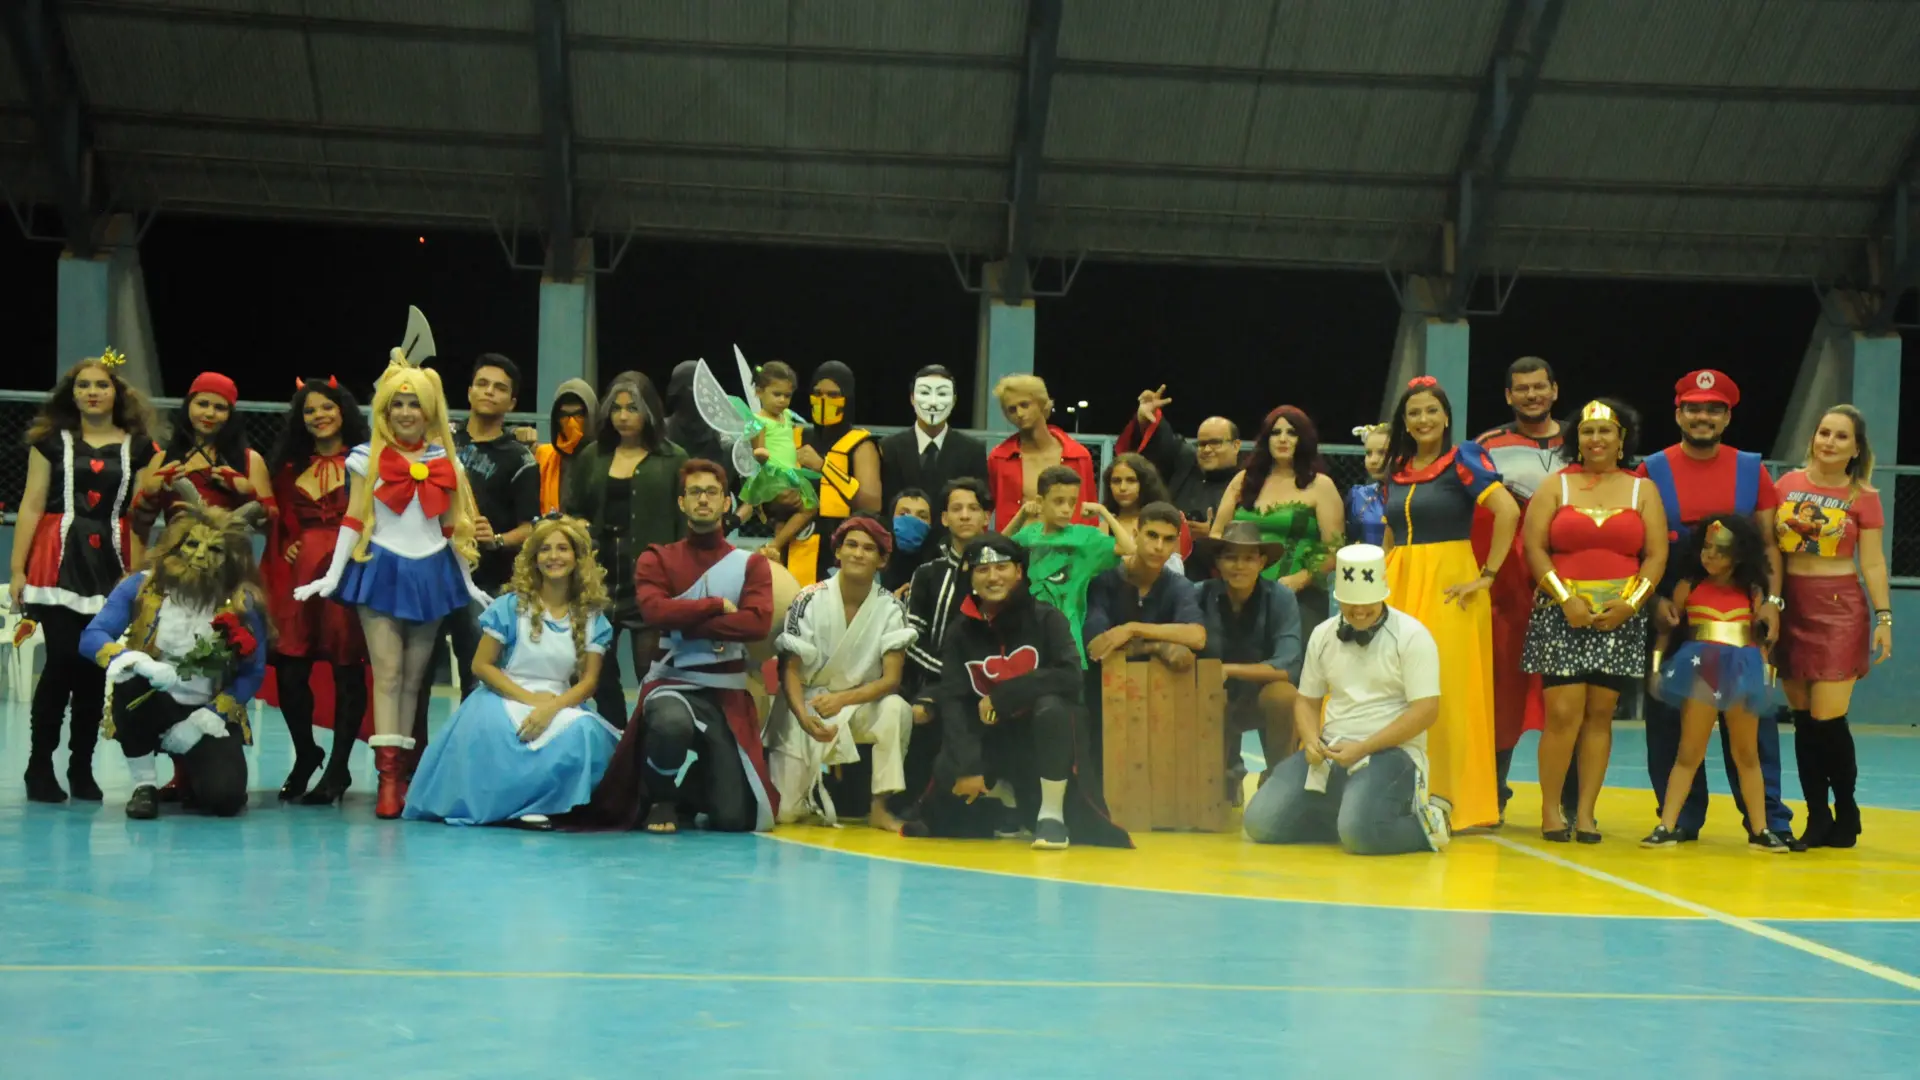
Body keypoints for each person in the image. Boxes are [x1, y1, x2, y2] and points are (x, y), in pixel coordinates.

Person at [294, 352, 491, 819]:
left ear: (429, 409)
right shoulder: (366, 458)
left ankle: (402, 777)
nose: (406, 412)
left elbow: (451, 527)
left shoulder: (448, 463)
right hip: (381, 568)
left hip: (433, 572)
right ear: (384, 409)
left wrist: (467, 581)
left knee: (413, 680)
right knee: (387, 674)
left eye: (414, 403)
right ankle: (386, 783)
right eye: (397, 403)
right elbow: (353, 517)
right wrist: (332, 574)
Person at [579, 459, 779, 833]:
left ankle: (689, 793)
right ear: (681, 502)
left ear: (726, 503)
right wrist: (715, 605)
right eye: (695, 492)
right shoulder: (658, 557)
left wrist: (683, 620)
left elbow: (756, 623)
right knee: (670, 724)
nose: (703, 499)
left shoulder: (751, 564)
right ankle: (661, 798)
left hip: (727, 692)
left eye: (712, 492)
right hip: (671, 682)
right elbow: (654, 612)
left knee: (734, 819)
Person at [1640, 369, 1794, 846]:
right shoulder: (1652, 470)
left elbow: (1768, 546)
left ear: (1727, 417)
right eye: (1693, 408)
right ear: (1678, 414)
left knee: (1753, 726)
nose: (1702, 417)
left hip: (1741, 611)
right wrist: (1653, 601)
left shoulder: (1752, 469)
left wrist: (1772, 602)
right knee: (1670, 722)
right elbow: (1641, 545)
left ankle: (1767, 822)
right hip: (1676, 605)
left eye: (1713, 409)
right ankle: (1678, 819)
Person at [902, 533, 1132, 849]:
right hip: (990, 738)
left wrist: (1003, 696)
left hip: (1044, 741)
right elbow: (954, 699)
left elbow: (1070, 676)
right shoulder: (958, 632)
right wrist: (968, 766)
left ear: (1019, 571)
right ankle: (1004, 801)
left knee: (1052, 707)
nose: (992, 577)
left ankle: (1051, 816)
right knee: (945, 810)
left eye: (1001, 567)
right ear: (970, 577)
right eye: (982, 570)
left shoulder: (1047, 618)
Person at [10, 350, 161, 802]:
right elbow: (32, 504)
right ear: (71, 394)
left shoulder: (143, 449)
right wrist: (17, 568)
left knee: (96, 667)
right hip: (56, 560)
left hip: (111, 564)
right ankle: (39, 766)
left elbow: (142, 516)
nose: (92, 392)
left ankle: (81, 768)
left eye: (101, 384)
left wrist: (137, 577)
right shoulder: (50, 443)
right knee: (61, 662)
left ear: (117, 392)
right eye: (83, 385)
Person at [404, 516, 618, 829]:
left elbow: (589, 682)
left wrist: (550, 708)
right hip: (503, 695)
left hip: (560, 701)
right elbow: (481, 666)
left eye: (562, 548)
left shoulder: (592, 618)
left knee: (584, 732)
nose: (554, 556)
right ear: (534, 558)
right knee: (496, 730)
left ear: (578, 558)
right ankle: (515, 806)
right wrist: (531, 701)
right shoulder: (510, 606)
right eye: (545, 549)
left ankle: (550, 804)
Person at [1242, 543, 1451, 855]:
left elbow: (1426, 710)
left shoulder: (1412, 635)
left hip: (1392, 752)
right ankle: (1347, 815)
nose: (1360, 611)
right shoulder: (1323, 634)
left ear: (1383, 595)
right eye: (1351, 604)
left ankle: (1431, 822)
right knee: (1260, 823)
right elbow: (1307, 700)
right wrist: (1311, 740)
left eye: (1367, 603)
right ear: (1337, 598)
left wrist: (1364, 747)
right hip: (1332, 749)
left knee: (1360, 835)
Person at [1520, 400, 1667, 843]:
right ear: (1576, 439)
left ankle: (1585, 813)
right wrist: (1565, 599)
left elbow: (1656, 555)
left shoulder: (1643, 490)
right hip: (1560, 614)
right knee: (1562, 714)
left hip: (1618, 618)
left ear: (1622, 439)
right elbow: (1534, 548)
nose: (1596, 439)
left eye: (1606, 431)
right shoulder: (1555, 486)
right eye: (1588, 431)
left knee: (1600, 715)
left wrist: (1631, 605)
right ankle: (1550, 810)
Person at [1380, 376, 1521, 830]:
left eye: (1431, 411)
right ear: (1404, 422)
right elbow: (1390, 531)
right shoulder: (1397, 467)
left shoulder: (1464, 459)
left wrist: (1487, 576)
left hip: (1448, 584)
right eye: (1414, 412)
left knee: (1444, 689)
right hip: (1398, 582)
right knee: (1392, 684)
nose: (1423, 419)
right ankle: (1395, 792)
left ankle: (1449, 798)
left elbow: (1508, 511)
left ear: (1446, 417)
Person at [81, 499, 270, 819]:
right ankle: (144, 785)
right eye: (192, 544)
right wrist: (137, 661)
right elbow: (92, 636)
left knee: (224, 800)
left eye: (215, 549)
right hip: (152, 698)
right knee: (129, 681)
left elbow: (253, 671)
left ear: (230, 558)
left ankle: (194, 773)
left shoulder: (241, 602)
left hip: (206, 708)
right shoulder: (142, 587)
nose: (200, 555)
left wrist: (206, 718)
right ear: (175, 545)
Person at [1773, 405, 1892, 848]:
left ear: (1856, 449)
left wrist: (1884, 616)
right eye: (1824, 432)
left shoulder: (1864, 495)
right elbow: (1770, 550)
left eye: (1841, 436)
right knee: (1803, 720)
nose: (1829, 442)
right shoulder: (1785, 485)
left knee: (1827, 718)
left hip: (1839, 608)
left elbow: (1873, 562)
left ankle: (1847, 808)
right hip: (1791, 605)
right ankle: (1817, 816)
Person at [1642, 517, 1793, 853]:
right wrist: (1656, 667)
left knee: (1747, 754)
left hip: (1742, 670)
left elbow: (1763, 640)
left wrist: (1766, 675)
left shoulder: (1752, 592)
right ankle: (1667, 824)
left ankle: (1761, 829)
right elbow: (1666, 630)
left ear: (1738, 555)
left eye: (1720, 550)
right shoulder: (1689, 587)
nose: (1709, 555)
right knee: (1689, 751)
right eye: (1706, 548)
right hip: (1701, 671)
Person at [261, 377, 373, 805]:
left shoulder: (366, 460)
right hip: (301, 576)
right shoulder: (288, 467)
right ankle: (306, 752)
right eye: (310, 410)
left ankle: (338, 767)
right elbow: (279, 519)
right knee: (290, 668)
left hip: (349, 571)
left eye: (327, 406)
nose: (319, 415)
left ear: (343, 410)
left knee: (347, 669)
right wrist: (290, 541)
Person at [767, 517, 917, 828]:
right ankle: (809, 793)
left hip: (858, 705)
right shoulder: (808, 598)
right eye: (851, 545)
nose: (858, 554)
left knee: (896, 709)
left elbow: (891, 680)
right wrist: (802, 716)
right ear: (837, 552)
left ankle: (880, 807)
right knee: (784, 814)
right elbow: (790, 670)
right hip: (805, 704)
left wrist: (842, 700)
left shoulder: (891, 608)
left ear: (882, 560)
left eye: (868, 548)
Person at [562, 370, 688, 725]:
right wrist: (578, 524)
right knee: (597, 671)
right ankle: (615, 735)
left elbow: (683, 524)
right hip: (599, 577)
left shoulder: (674, 458)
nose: (622, 416)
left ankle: (645, 742)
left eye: (632, 408)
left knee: (652, 673)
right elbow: (574, 509)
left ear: (649, 411)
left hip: (651, 580)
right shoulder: (593, 456)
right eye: (616, 408)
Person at [1476, 357, 1566, 820]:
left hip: (1574, 583)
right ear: (1509, 396)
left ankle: (1570, 803)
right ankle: (1492, 792)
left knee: (1571, 693)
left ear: (1554, 390)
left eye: (1539, 386)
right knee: (1504, 689)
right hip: (1510, 588)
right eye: (1522, 389)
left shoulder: (1583, 440)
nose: (1532, 395)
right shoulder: (1486, 446)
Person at [1192, 521, 1303, 799]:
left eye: (1248, 558)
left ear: (1262, 562)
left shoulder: (1281, 598)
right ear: (1218, 561)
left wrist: (1228, 669)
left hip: (1260, 698)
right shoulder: (1197, 594)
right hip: (1209, 697)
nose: (1239, 566)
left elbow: (1287, 667)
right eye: (1230, 557)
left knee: (1284, 695)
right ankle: (1224, 774)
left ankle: (1279, 778)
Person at [1213, 406, 1342, 635]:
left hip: (1299, 598)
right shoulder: (1243, 480)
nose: (1283, 439)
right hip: (1238, 592)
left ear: (1304, 439)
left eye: (1291, 433)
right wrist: (1231, 571)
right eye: (1275, 432)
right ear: (1266, 439)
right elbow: (1216, 534)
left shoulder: (1321, 485)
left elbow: (1334, 547)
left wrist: (1301, 579)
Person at [902, 478, 994, 789]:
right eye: (957, 509)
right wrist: (949, 674)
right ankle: (915, 798)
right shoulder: (927, 573)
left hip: (989, 679)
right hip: (934, 679)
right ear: (944, 518)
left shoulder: (1001, 575)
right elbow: (910, 638)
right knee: (918, 712)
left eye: (973, 509)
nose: (965, 515)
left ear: (986, 517)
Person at [1007, 464, 1134, 663]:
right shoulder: (1028, 534)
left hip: (1067, 640)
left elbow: (1128, 548)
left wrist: (1103, 511)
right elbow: (995, 547)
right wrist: (1021, 515)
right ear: (1040, 501)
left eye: (1072, 502)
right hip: (1026, 637)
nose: (1066, 509)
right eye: (1059, 501)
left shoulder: (1086, 538)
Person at [878, 364, 989, 570]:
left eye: (942, 394)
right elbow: (884, 506)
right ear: (912, 398)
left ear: (954, 400)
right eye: (925, 393)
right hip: (898, 562)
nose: (933, 402)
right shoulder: (889, 447)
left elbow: (978, 504)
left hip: (954, 560)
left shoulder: (972, 450)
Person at [134, 370, 273, 530]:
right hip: (176, 545)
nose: (209, 413)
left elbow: (269, 526)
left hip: (228, 544)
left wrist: (249, 492)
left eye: (219, 408)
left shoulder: (250, 460)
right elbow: (139, 523)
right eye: (202, 404)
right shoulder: (162, 459)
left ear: (230, 415)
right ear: (188, 406)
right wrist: (149, 493)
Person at [787, 362, 882, 586]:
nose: (824, 400)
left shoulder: (860, 443)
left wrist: (824, 467)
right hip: (793, 543)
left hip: (839, 549)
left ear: (847, 398)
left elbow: (872, 504)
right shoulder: (796, 436)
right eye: (818, 393)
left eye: (833, 395)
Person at [1083, 502, 1208, 667]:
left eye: (1168, 539)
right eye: (1152, 535)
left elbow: (1197, 637)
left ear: (1176, 544)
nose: (1159, 546)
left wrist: (1133, 630)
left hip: (1156, 682)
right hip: (1103, 680)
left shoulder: (1179, 585)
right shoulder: (1105, 578)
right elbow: (1096, 647)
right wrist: (1161, 646)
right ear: (1135, 535)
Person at [1115, 384, 1242, 530]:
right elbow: (1162, 443)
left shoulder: (1246, 484)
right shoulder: (1186, 462)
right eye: (1201, 444)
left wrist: (1215, 532)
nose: (1206, 450)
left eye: (1215, 443)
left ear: (1236, 445)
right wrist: (1146, 420)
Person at [985, 374, 1098, 533]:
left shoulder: (1078, 456)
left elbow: (1090, 512)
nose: (1019, 413)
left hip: (1068, 545)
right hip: (1016, 544)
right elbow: (984, 510)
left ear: (1041, 404)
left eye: (1025, 405)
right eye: (1012, 409)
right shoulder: (999, 458)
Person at [738, 359, 818, 522]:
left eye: (787, 396)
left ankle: (777, 537)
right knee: (799, 505)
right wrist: (761, 456)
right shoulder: (757, 421)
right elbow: (758, 452)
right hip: (771, 475)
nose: (782, 400)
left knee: (809, 507)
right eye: (777, 394)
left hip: (790, 474)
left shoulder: (786, 415)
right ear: (759, 392)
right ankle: (740, 517)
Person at [1101, 453, 1192, 575]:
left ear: (1145, 483)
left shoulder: (1164, 520)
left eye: (1131, 480)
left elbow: (1174, 570)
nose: (1122, 487)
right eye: (1116, 481)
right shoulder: (1105, 525)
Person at [530, 377, 598, 514]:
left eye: (579, 415)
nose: (571, 422)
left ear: (592, 416)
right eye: (564, 415)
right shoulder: (543, 456)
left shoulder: (607, 458)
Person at [664, 360, 731, 481]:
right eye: (693, 389)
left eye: (703, 389)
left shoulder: (724, 439)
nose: (701, 397)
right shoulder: (661, 433)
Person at [1345, 423, 1390, 547]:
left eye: (1382, 453)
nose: (1373, 460)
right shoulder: (1359, 495)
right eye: (1368, 453)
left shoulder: (1416, 495)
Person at [882, 487, 931, 593]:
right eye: (904, 514)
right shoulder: (876, 564)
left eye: (922, 516)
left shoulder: (938, 571)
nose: (912, 520)